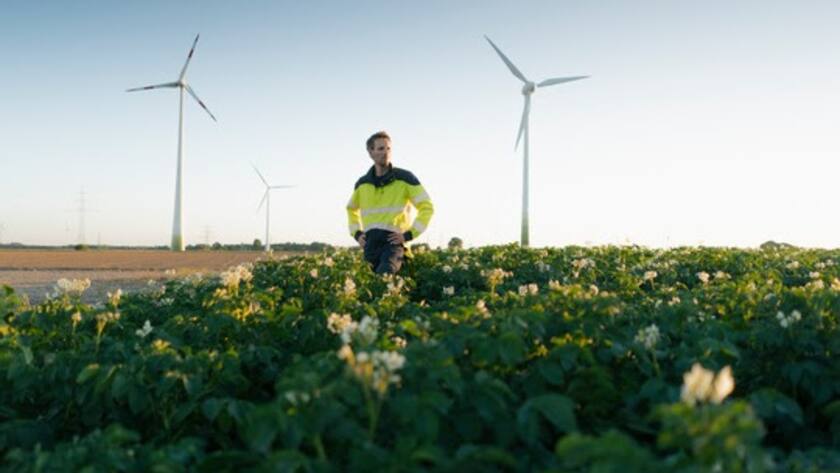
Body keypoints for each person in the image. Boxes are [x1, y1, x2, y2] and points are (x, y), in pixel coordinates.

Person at [346, 131, 434, 274]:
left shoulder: (405, 178)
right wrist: (357, 234)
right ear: (371, 152)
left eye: (388, 148)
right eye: (381, 149)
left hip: (393, 243)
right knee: (368, 282)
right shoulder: (362, 184)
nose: (386, 153)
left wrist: (408, 235)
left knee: (385, 275)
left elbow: (427, 207)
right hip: (370, 244)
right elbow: (351, 209)